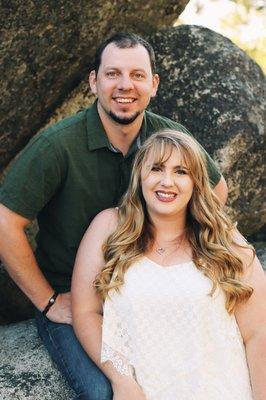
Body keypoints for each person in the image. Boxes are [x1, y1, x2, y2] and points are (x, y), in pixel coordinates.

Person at [0, 33, 227, 399]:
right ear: (94, 82)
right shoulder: (58, 146)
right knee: (104, 391)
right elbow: (5, 222)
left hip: (145, 294)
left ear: (153, 84)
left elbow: (216, 191)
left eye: (137, 75)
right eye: (112, 74)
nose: (125, 85)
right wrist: (48, 301)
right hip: (76, 301)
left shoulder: (169, 136)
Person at [72, 129, 266, 400]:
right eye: (157, 169)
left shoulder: (224, 239)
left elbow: (259, 333)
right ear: (140, 175)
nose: (167, 182)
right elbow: (85, 312)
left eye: (181, 172)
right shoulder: (108, 227)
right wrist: (122, 380)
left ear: (196, 181)